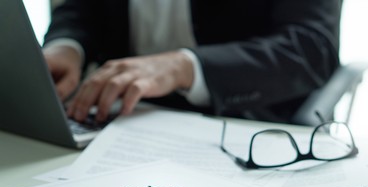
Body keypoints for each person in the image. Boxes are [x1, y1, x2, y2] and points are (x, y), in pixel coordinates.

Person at [43, 0, 342, 123]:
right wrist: (68, 46)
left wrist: (184, 67)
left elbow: (311, 48)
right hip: (115, 114)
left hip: (236, 118)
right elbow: (81, 8)